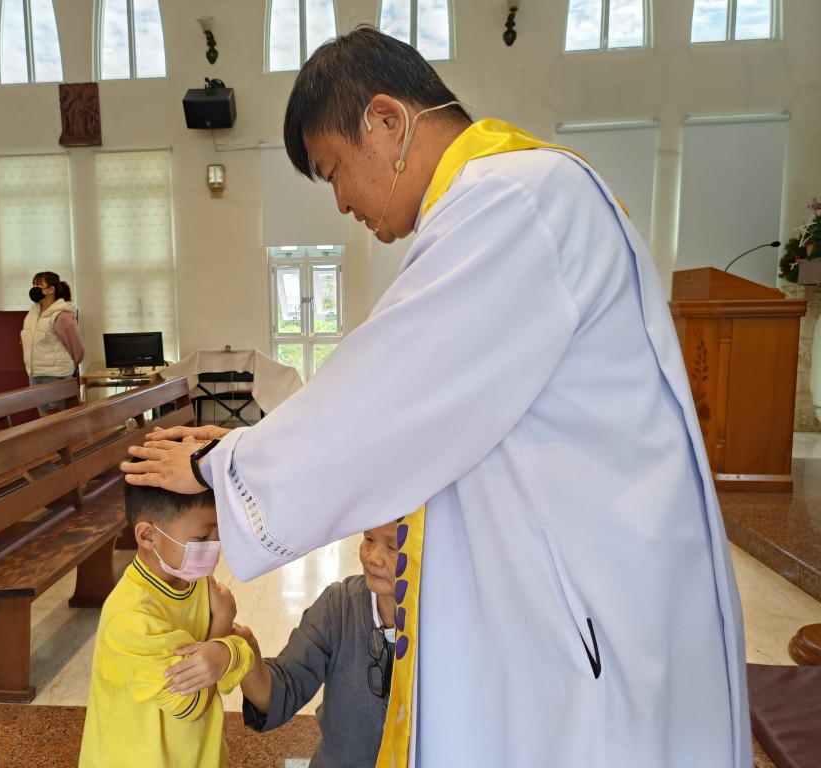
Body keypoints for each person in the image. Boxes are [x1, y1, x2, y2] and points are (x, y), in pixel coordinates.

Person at [121, 25, 751, 768]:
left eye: (333, 172)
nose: (341, 202)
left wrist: (219, 466)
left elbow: (382, 397)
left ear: (387, 121)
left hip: (589, 602)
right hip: (566, 582)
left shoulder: (514, 198)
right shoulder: (501, 199)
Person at [78, 482, 254, 768]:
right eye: (201, 537)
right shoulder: (129, 616)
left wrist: (225, 653)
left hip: (196, 753)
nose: (214, 547)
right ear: (148, 535)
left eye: (218, 534)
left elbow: (223, 675)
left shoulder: (197, 582)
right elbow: (191, 704)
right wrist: (223, 628)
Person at [236, 521, 400, 768]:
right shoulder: (339, 606)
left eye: (393, 547)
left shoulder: (450, 629)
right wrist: (245, 659)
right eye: (368, 539)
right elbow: (283, 689)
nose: (373, 558)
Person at [21, 270, 84, 414]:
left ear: (50, 289)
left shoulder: (62, 315)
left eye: (38, 285)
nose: (34, 289)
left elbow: (78, 347)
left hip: (57, 375)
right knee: (44, 419)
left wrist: (68, 366)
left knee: (65, 417)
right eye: (33, 285)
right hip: (35, 374)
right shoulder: (33, 314)